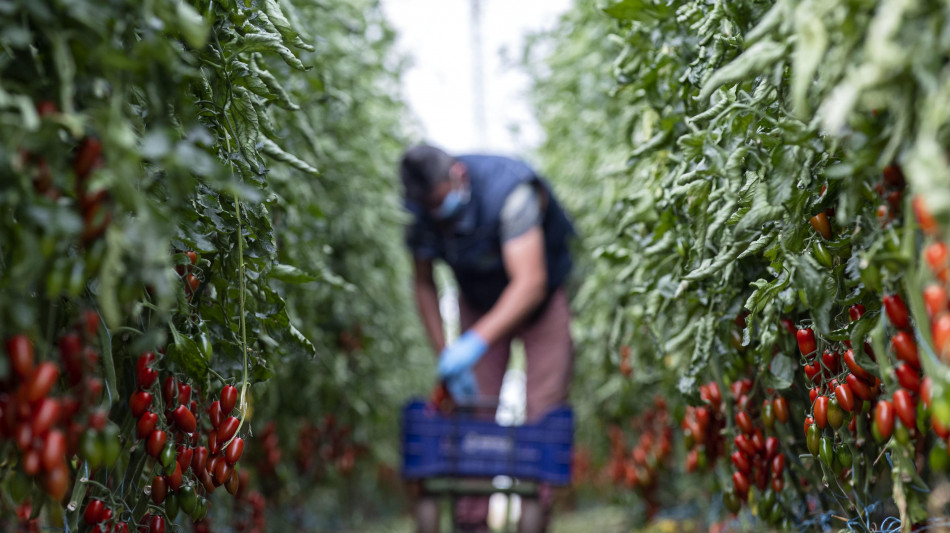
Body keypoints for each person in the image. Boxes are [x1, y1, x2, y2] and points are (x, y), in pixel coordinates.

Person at [400, 144, 576, 533]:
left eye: (440, 202)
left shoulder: (511, 193)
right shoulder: (420, 212)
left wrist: (474, 343)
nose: (436, 213)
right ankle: (471, 522)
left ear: (458, 175)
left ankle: (533, 519)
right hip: (478, 301)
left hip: (541, 302)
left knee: (541, 416)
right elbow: (424, 284)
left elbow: (530, 283)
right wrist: (447, 354)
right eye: (429, 207)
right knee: (474, 416)